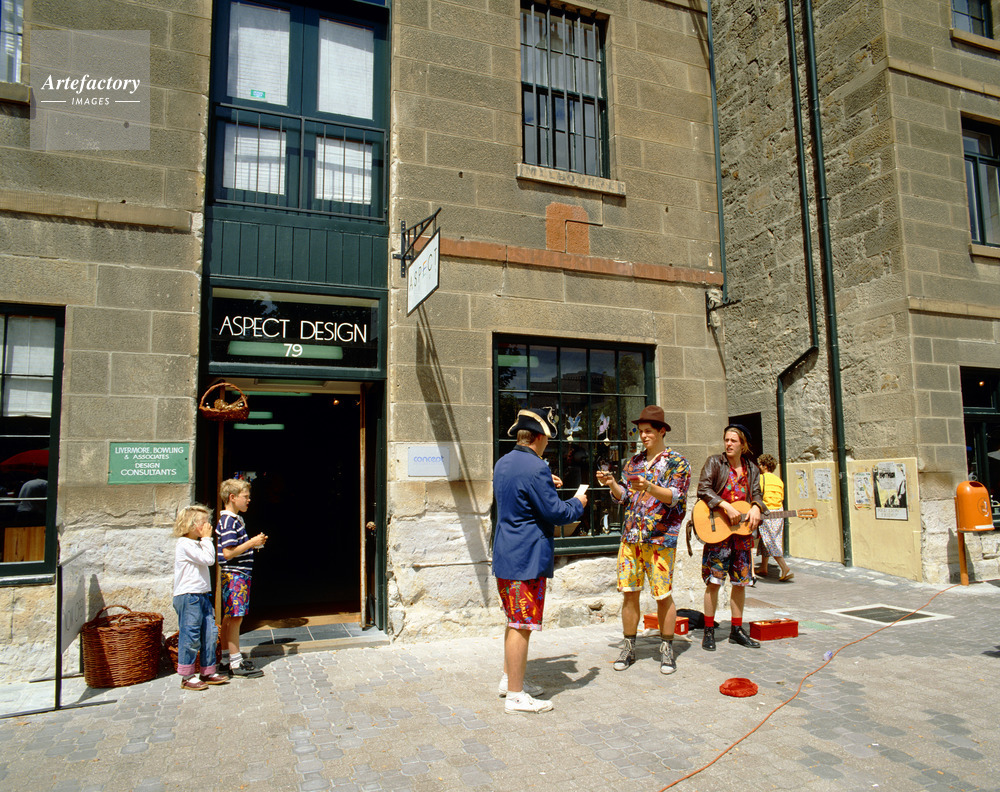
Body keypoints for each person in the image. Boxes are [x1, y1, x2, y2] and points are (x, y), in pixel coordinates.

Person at [493, 407, 587, 714]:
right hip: (526, 556)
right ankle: (515, 695)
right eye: (547, 437)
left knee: (514, 621)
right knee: (522, 624)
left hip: (507, 552)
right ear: (537, 436)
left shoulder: (504, 462)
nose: (548, 442)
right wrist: (578, 502)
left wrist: (546, 483)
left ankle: (510, 680)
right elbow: (556, 513)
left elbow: (522, 494)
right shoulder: (536, 468)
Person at [596, 405, 690, 675]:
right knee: (629, 594)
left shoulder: (677, 463)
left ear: (662, 431)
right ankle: (628, 647)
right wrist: (612, 483)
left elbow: (675, 497)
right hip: (631, 537)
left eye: (648, 431)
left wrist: (649, 486)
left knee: (663, 595)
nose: (644, 436)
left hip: (660, 539)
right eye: (641, 431)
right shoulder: (634, 462)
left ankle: (667, 648)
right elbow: (624, 497)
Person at [695, 424, 764, 651]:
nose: (728, 444)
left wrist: (756, 507)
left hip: (741, 535)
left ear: (743, 444)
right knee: (714, 582)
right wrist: (725, 505)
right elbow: (703, 489)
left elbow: (757, 494)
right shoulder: (715, 463)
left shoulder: (752, 469)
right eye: (726, 440)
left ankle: (736, 629)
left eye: (733, 440)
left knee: (740, 583)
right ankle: (708, 630)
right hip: (719, 534)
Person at [173, 505, 229, 691]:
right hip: (189, 596)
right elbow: (209, 560)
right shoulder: (184, 544)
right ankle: (187, 675)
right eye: (203, 522)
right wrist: (207, 539)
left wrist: (204, 540)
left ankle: (207, 671)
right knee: (190, 635)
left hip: (202, 595)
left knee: (209, 634)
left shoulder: (197, 544)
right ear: (191, 525)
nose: (208, 526)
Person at [216, 478, 267, 678]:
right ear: (232, 497)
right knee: (236, 617)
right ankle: (236, 662)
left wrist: (253, 545)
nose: (248, 500)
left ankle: (225, 659)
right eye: (245, 496)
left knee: (229, 617)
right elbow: (228, 552)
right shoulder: (229, 521)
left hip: (235, 573)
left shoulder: (233, 520)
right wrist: (251, 542)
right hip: (236, 575)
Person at [755, 454, 793, 582]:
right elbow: (781, 497)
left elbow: (757, 495)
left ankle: (785, 567)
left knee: (770, 540)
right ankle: (764, 567)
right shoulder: (779, 480)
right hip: (778, 512)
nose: (759, 467)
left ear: (765, 466)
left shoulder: (761, 479)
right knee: (768, 538)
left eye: (760, 464)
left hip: (767, 512)